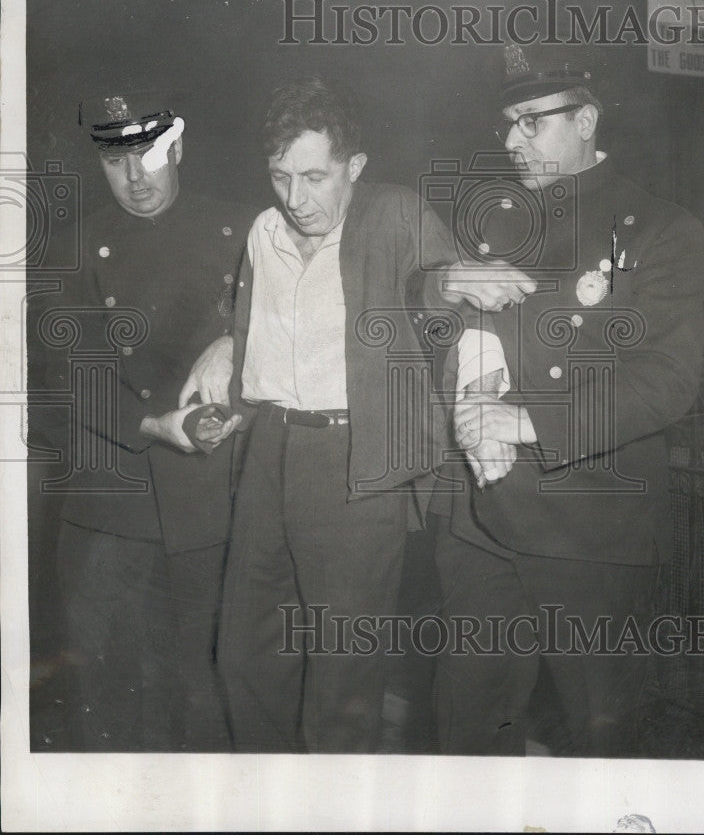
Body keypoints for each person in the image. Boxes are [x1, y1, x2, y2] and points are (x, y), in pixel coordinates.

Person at [213, 75, 534, 753]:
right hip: (267, 451)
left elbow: (448, 297)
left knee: (342, 678)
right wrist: (222, 357)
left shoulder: (394, 215)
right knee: (246, 657)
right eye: (280, 177)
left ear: (354, 167)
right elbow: (248, 328)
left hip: (354, 462)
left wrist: (479, 398)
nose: (295, 198)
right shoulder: (262, 231)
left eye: (314, 177)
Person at [433, 44, 704, 756]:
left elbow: (667, 381)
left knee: (600, 741)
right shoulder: (494, 225)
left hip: (592, 533)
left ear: (586, 119)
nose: (512, 139)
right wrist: (445, 290)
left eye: (530, 121)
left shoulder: (661, 230)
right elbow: (437, 317)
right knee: (468, 736)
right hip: (485, 523)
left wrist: (523, 421)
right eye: (506, 124)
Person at [34, 91, 254, 750]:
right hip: (111, 510)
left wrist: (235, 348)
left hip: (214, 508)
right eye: (115, 161)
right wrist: (152, 423)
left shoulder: (247, 232)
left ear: (179, 146)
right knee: (109, 695)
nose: (135, 178)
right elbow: (66, 377)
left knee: (207, 690)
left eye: (151, 155)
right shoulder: (72, 250)